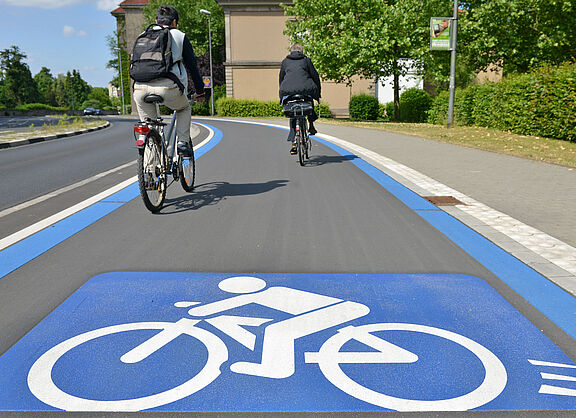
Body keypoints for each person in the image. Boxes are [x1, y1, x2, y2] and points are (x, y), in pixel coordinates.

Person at [133, 5, 205, 157]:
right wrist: (200, 91)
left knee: (149, 126)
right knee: (183, 109)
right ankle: (183, 143)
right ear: (174, 22)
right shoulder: (179, 36)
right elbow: (192, 67)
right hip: (168, 88)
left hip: (139, 88)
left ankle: (151, 172)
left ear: (156, 21)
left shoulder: (143, 35)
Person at [279, 44, 321, 155]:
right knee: (309, 102)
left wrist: (282, 93)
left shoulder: (285, 62)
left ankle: (293, 141)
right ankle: (311, 126)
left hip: (288, 92)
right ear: (301, 51)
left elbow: (281, 78)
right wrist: (318, 92)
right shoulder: (306, 60)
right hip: (305, 90)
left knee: (293, 112)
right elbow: (315, 76)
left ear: (291, 51)